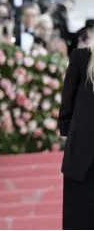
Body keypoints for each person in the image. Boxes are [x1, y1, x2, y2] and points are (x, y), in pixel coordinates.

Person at [58, 45, 94, 229]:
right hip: (82, 158)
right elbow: (67, 102)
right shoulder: (82, 56)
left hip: (81, 150)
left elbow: (67, 104)